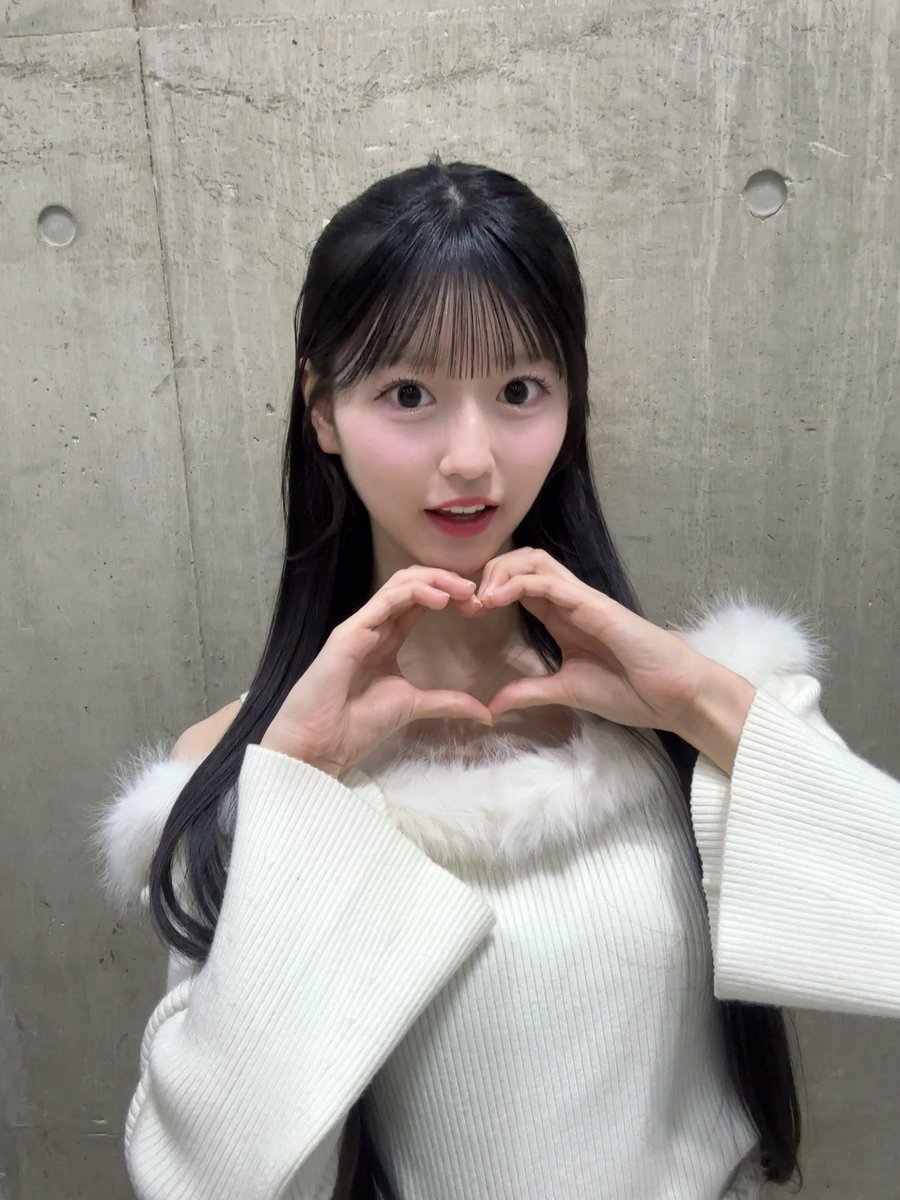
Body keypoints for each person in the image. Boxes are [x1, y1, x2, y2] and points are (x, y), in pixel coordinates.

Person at [92, 156, 900, 1200]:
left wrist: (700, 702)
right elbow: (209, 1174)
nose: (472, 458)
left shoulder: (679, 720)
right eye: (409, 394)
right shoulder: (243, 770)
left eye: (520, 390)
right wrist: (295, 785)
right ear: (322, 408)